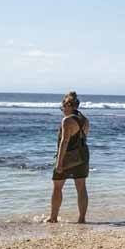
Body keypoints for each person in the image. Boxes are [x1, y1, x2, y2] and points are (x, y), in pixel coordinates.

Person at [47, 91, 90, 223]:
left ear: (68, 105)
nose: (62, 110)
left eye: (63, 107)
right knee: (81, 188)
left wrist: (59, 162)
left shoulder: (67, 120)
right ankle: (82, 218)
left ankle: (53, 217)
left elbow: (64, 141)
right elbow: (82, 138)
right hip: (82, 156)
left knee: (57, 187)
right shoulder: (84, 120)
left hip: (67, 157)